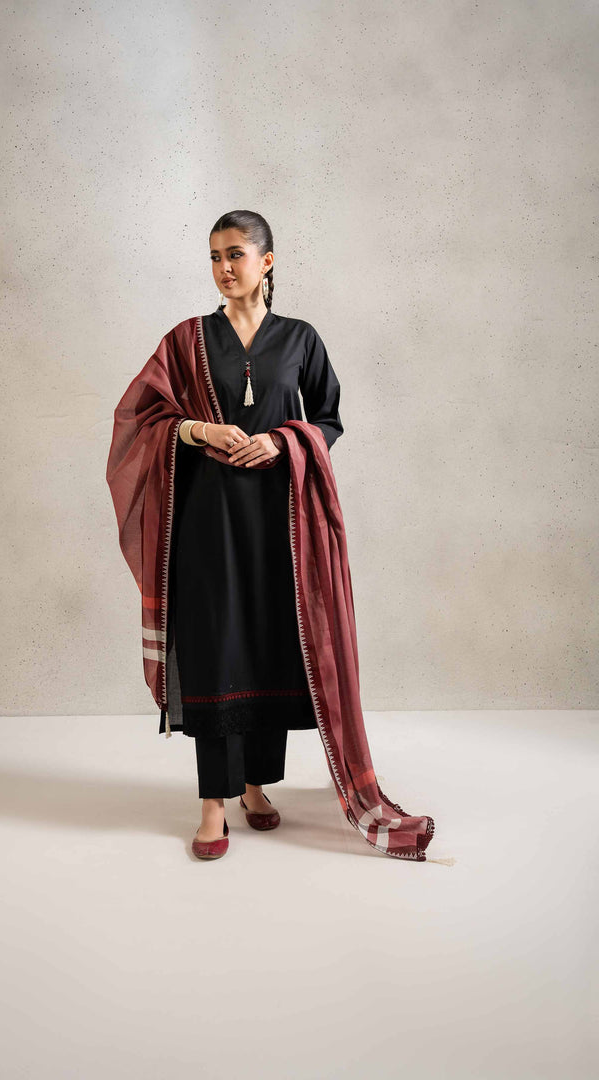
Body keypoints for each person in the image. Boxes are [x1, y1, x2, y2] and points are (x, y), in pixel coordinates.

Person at [106, 210, 436, 863]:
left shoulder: (300, 340)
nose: (223, 268)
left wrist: (284, 441)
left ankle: (255, 785)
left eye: (235, 254)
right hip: (207, 523)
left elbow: (329, 420)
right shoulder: (187, 339)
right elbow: (139, 415)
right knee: (213, 651)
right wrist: (199, 430)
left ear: (267, 261)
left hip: (282, 525)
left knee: (263, 647)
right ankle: (212, 804)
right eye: (214, 257)